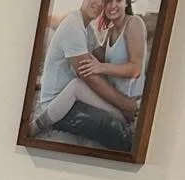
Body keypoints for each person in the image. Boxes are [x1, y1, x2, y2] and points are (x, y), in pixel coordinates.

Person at [30, 0, 145, 147]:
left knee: (114, 125)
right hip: (59, 103)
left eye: (103, 1)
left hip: (77, 98)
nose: (99, 3)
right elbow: (90, 75)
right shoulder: (73, 26)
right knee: (115, 129)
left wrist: (103, 65)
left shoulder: (88, 29)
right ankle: (37, 125)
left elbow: (100, 59)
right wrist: (125, 105)